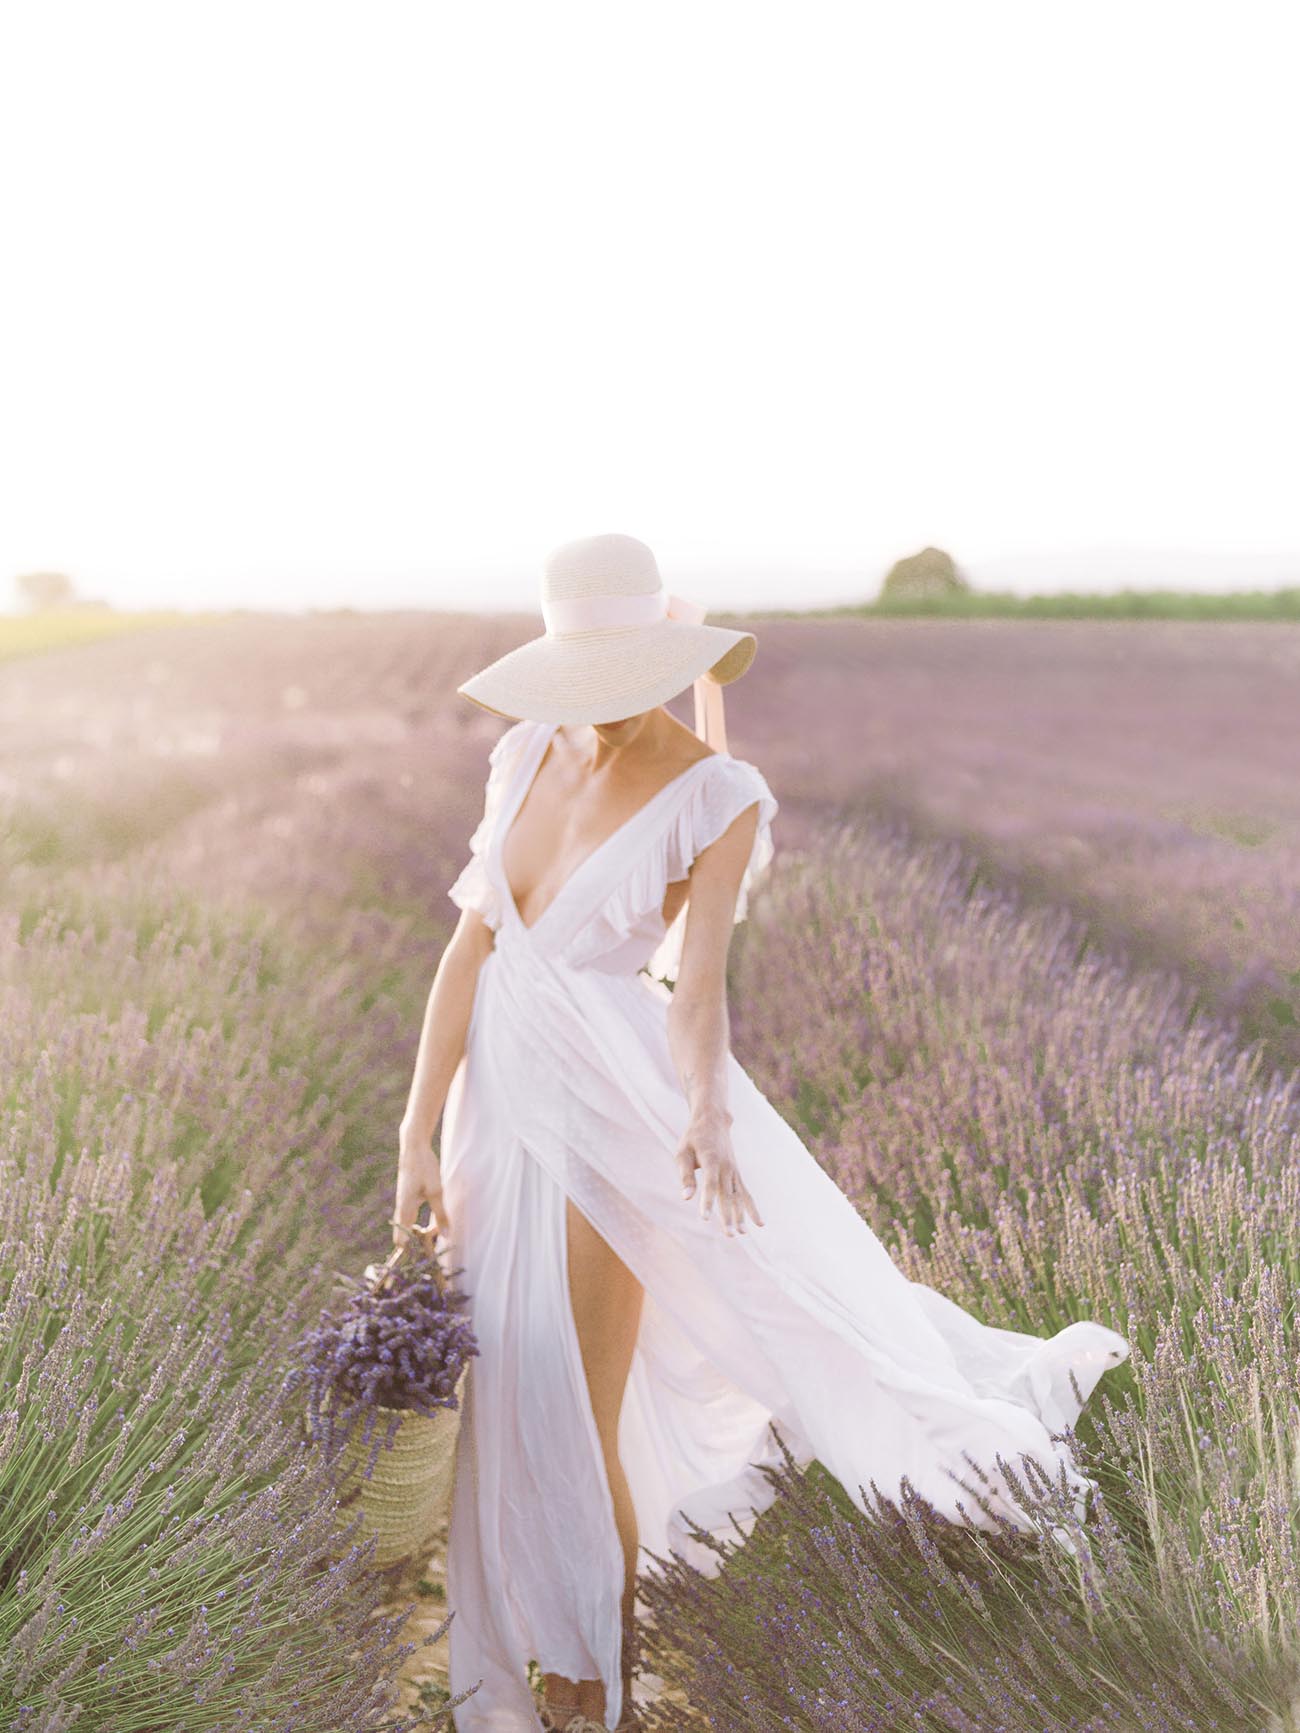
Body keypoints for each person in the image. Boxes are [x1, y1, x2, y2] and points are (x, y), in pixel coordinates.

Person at [393, 533, 1129, 1733]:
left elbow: (698, 988)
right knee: (500, 1397)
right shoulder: (524, 748)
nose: (595, 698)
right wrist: (416, 1129)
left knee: (576, 1411)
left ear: (657, 653)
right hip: (490, 1103)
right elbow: (472, 941)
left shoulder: (715, 792)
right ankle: (531, 1651)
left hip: (603, 1109)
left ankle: (591, 1682)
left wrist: (706, 1112)